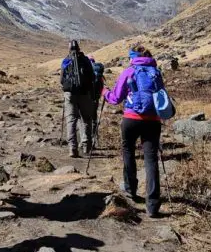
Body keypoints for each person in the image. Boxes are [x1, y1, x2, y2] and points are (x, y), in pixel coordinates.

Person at [101, 45, 163, 217]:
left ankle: (130, 190)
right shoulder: (156, 72)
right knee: (151, 160)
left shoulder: (129, 71)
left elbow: (115, 98)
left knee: (128, 152)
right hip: (153, 120)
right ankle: (153, 204)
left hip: (131, 119)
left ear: (133, 57)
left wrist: (104, 91)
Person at [60, 40, 95, 157]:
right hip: (84, 93)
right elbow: (92, 77)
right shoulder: (85, 60)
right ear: (79, 48)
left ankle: (72, 148)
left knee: (71, 120)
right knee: (86, 119)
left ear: (69, 49)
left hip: (70, 94)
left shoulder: (66, 61)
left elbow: (62, 80)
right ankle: (86, 145)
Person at [89, 56, 106, 144]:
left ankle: (86, 140)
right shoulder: (99, 75)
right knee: (94, 119)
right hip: (95, 99)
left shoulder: (88, 71)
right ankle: (93, 139)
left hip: (86, 99)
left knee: (85, 119)